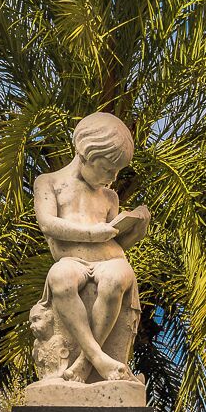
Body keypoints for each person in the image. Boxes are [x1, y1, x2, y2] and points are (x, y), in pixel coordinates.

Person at [31, 112, 151, 383]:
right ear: (85, 154)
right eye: (108, 168)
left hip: (109, 260)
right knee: (60, 277)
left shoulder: (109, 196)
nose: (113, 176)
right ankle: (97, 357)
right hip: (71, 260)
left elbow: (115, 241)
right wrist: (92, 234)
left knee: (117, 277)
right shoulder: (50, 183)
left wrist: (136, 231)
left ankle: (87, 361)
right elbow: (48, 224)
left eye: (117, 171)